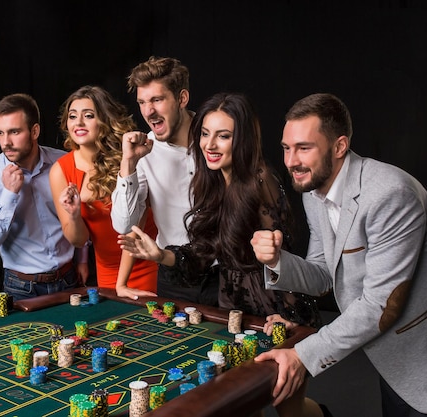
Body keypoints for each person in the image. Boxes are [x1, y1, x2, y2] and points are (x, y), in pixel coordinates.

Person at [119, 92, 327, 417]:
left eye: (223, 135)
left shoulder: (261, 181)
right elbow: (203, 254)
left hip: (273, 311)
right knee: (243, 405)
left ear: (241, 139)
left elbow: (284, 258)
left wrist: (292, 320)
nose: (209, 144)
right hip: (232, 307)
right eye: (205, 133)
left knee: (289, 408)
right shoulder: (213, 181)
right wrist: (159, 254)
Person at [251, 93, 427, 416]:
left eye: (304, 148)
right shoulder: (314, 194)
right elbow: (323, 275)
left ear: (339, 147)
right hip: (392, 365)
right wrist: (277, 261)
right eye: (286, 148)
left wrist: (303, 355)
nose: (291, 161)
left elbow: (380, 306)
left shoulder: (390, 194)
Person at [110, 56, 218, 304]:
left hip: (223, 275)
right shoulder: (143, 152)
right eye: (142, 102)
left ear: (182, 98)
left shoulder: (214, 138)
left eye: (157, 100)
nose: (149, 111)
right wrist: (128, 164)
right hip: (173, 276)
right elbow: (124, 226)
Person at [0, 93, 87, 301]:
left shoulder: (63, 162)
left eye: (14, 132)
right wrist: (9, 194)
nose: (6, 142)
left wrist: (83, 260)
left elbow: (81, 213)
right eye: (0, 133)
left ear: (34, 131)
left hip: (70, 278)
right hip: (21, 287)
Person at [49, 85, 158, 298]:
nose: (78, 122)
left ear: (105, 120)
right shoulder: (60, 170)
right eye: (72, 116)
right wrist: (73, 214)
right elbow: (79, 241)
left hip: (146, 261)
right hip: (107, 270)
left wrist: (122, 284)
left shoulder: (129, 156)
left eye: (88, 115)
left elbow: (135, 227)